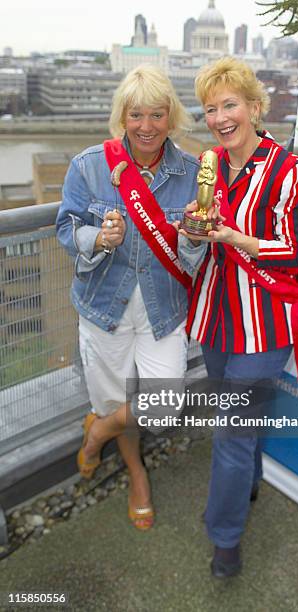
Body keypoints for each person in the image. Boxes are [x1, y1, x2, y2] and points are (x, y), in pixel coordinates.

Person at [177, 57, 298, 577]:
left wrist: (233, 237)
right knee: (240, 426)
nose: (218, 117)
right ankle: (249, 482)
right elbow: (198, 233)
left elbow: (293, 249)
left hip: (265, 323)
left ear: (255, 108)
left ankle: (225, 539)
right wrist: (192, 229)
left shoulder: (291, 171)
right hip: (216, 316)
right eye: (211, 108)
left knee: (231, 431)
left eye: (229, 105)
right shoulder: (209, 163)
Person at [56, 65, 199, 530]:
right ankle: (137, 473)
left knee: (163, 405)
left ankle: (96, 434)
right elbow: (66, 227)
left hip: (164, 312)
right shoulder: (89, 165)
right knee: (114, 398)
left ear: (171, 117)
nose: (146, 126)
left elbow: (196, 259)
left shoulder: (194, 173)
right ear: (123, 115)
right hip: (104, 311)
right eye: (136, 114)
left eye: (157, 114)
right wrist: (98, 238)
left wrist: (194, 238)